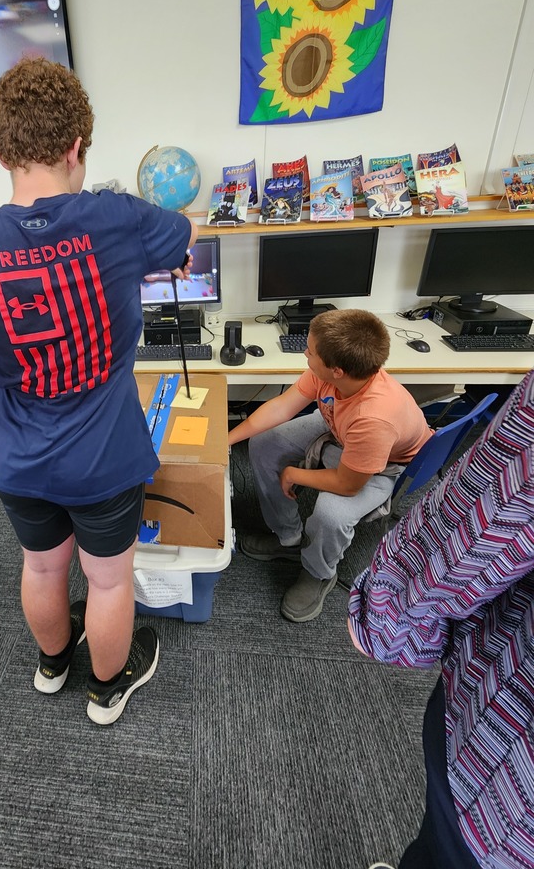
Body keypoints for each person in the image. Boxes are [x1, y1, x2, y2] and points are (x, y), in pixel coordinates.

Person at [0, 57, 196, 725]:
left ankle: (51, 666)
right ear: (78, 146)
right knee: (106, 579)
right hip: (103, 457)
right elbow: (184, 238)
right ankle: (106, 689)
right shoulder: (119, 219)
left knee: (43, 569)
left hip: (16, 454)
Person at [349, 370, 534, 869]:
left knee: (445, 852)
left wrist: (383, 619)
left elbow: (486, 523)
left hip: (507, 772)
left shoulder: (374, 411)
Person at [229, 309, 433, 623]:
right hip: (338, 428)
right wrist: (226, 440)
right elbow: (283, 406)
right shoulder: (334, 374)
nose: (305, 355)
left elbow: (347, 484)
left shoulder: (374, 417)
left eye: (310, 352)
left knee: (331, 514)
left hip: (380, 463)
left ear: (336, 370)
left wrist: (293, 473)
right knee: (264, 444)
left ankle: (319, 572)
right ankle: (289, 538)